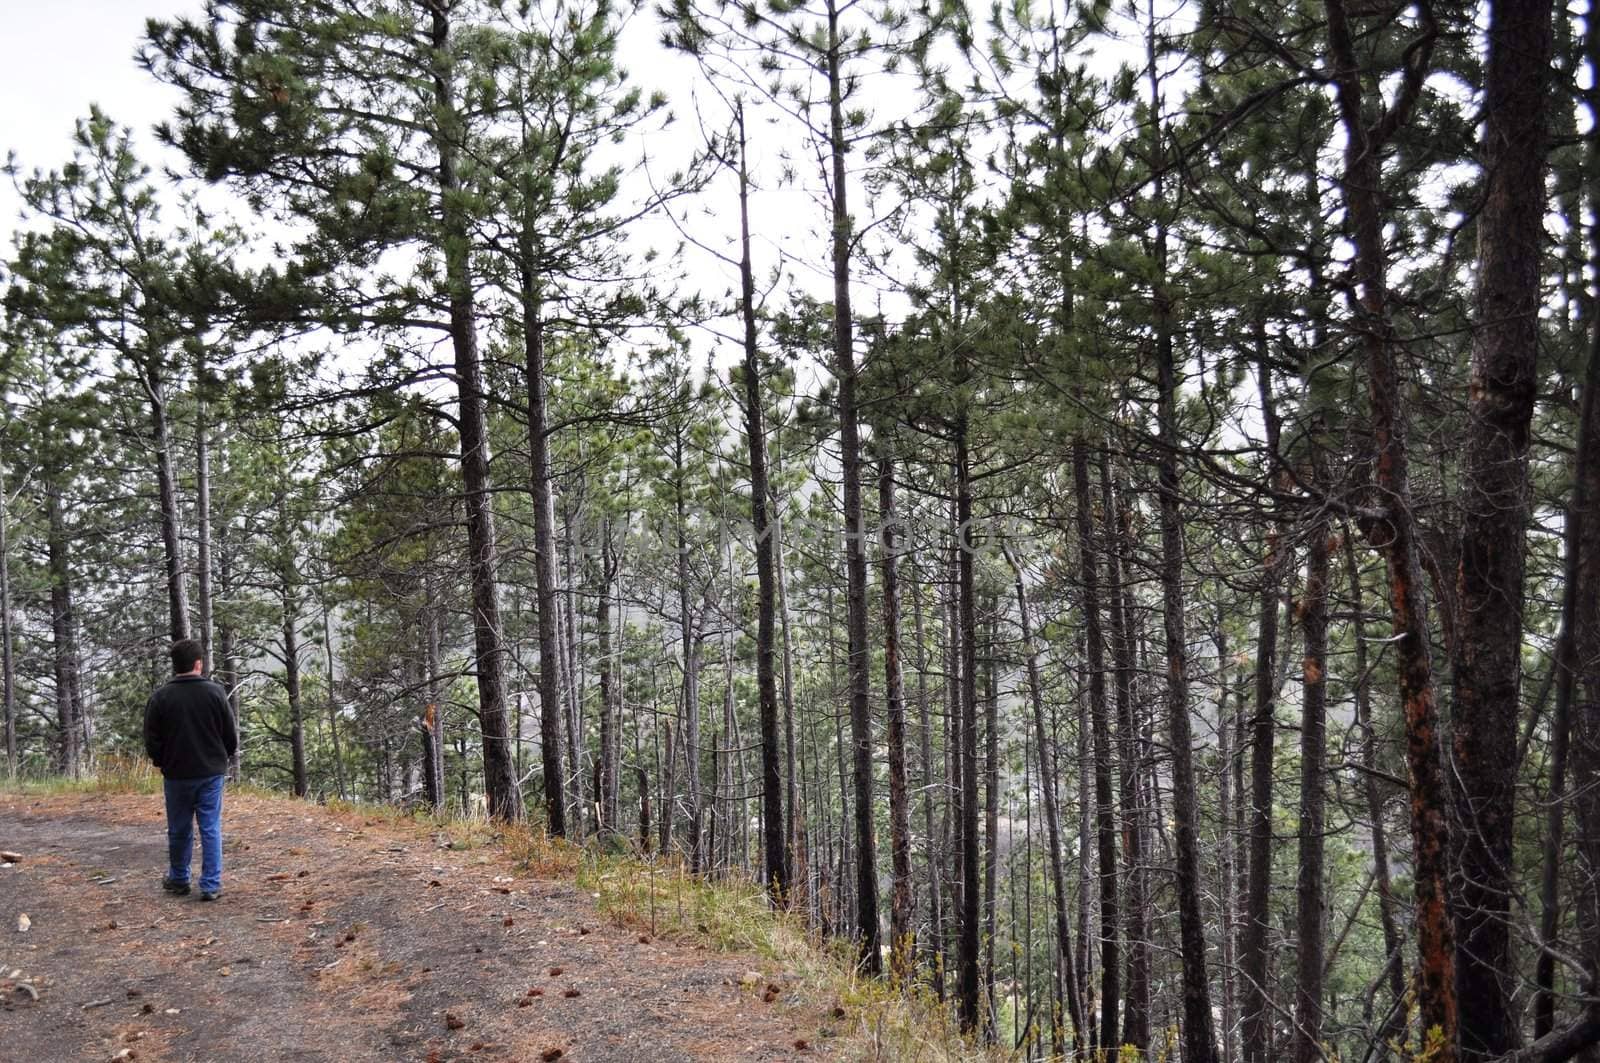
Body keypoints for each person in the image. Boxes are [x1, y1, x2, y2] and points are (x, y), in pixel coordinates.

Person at [143, 638, 238, 901]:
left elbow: (152, 740)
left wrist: (163, 762)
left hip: (177, 775)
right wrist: (222, 758)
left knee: (179, 828)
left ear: (176, 665)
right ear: (199, 663)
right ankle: (210, 885)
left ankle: (179, 879)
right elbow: (230, 735)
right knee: (210, 827)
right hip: (210, 772)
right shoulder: (215, 693)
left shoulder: (161, 697)